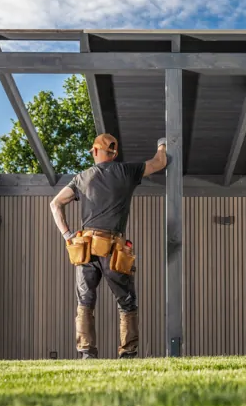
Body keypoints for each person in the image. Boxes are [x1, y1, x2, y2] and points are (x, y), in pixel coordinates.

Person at [49, 133, 168, 359]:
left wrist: (68, 236)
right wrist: (162, 144)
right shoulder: (127, 171)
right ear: (114, 153)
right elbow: (159, 162)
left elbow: (55, 204)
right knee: (127, 302)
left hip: (86, 250)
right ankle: (128, 354)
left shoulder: (82, 178)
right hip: (114, 249)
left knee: (85, 302)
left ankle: (87, 354)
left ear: (95, 151)